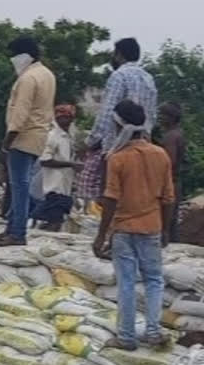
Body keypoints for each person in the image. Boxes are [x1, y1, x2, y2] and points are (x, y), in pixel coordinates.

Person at [93, 100, 175, 351]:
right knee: (154, 280)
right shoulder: (160, 155)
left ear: (118, 125)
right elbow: (169, 198)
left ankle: (126, 336)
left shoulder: (117, 158)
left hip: (123, 229)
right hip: (152, 227)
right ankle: (153, 330)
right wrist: (166, 230)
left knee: (126, 282)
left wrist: (101, 236)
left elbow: (110, 199)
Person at [0, 36, 56, 247]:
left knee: (19, 187)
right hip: (39, 136)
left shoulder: (28, 78)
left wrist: (7, 142)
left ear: (24, 56)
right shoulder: (47, 74)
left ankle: (17, 232)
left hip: (22, 136)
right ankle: (12, 227)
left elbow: (20, 113)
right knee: (22, 185)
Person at [80, 38, 157, 197]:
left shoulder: (119, 76)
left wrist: (91, 142)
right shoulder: (149, 79)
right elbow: (152, 116)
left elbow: (107, 113)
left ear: (119, 55)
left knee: (102, 194)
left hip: (116, 145)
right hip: (142, 145)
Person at [31, 104, 82, 231]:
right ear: (57, 118)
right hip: (55, 187)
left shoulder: (68, 136)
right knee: (55, 221)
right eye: (64, 117)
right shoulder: (53, 136)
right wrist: (70, 164)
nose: (68, 120)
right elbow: (45, 160)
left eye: (69, 117)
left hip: (65, 187)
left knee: (56, 221)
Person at [158, 101, 186, 242]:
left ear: (172, 117)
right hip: (175, 182)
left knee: (166, 223)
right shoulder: (177, 133)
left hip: (169, 183)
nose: (160, 118)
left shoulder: (171, 136)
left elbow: (169, 162)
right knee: (171, 221)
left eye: (163, 115)